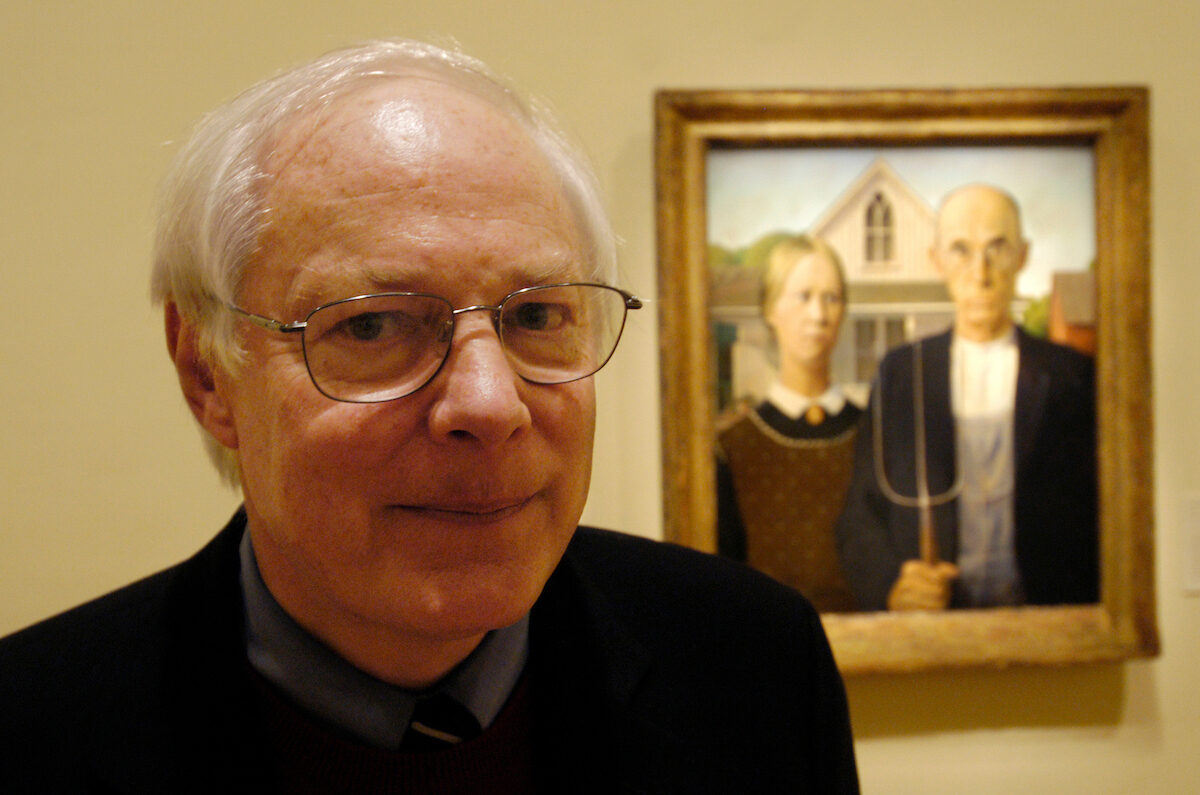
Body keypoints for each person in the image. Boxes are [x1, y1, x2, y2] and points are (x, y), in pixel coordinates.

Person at [0, 40, 858, 793]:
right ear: (207, 372)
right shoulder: (31, 734)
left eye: (535, 317)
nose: (490, 404)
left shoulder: (756, 671)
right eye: (372, 324)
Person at [835, 184, 1098, 613]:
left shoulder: (1072, 377)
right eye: (960, 250)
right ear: (936, 261)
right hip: (939, 632)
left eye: (998, 248)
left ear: (1023, 256)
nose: (981, 272)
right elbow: (860, 516)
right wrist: (891, 587)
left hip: (1046, 629)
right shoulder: (903, 374)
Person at [717, 235, 862, 612]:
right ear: (770, 308)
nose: (818, 315)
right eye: (803, 297)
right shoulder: (734, 446)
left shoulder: (874, 433)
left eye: (831, 298)